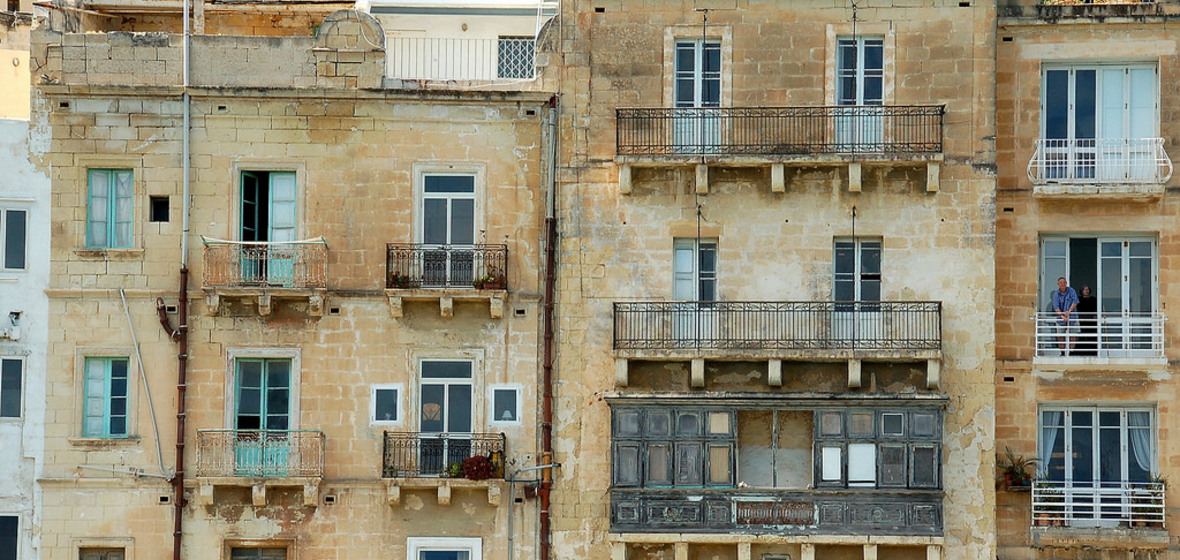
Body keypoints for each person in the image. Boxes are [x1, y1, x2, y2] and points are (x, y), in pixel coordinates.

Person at [1052, 277, 1079, 356]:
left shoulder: (1071, 291)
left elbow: (1075, 302)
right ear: (1058, 284)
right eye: (1060, 283)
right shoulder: (1056, 294)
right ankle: (1062, 353)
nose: (1062, 284)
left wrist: (1069, 310)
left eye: (1064, 282)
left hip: (1073, 317)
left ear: (1066, 283)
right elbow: (1056, 307)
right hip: (1061, 319)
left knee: (1073, 337)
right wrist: (1062, 316)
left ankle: (1071, 352)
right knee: (1060, 337)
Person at [1076, 285, 1098, 356]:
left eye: (1087, 289)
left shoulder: (1093, 299)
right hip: (1082, 320)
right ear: (1082, 291)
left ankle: (1093, 351)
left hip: (1091, 320)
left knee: (1092, 335)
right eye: (1085, 289)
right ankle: (1082, 351)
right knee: (1082, 335)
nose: (1086, 291)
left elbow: (1096, 309)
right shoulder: (1078, 299)